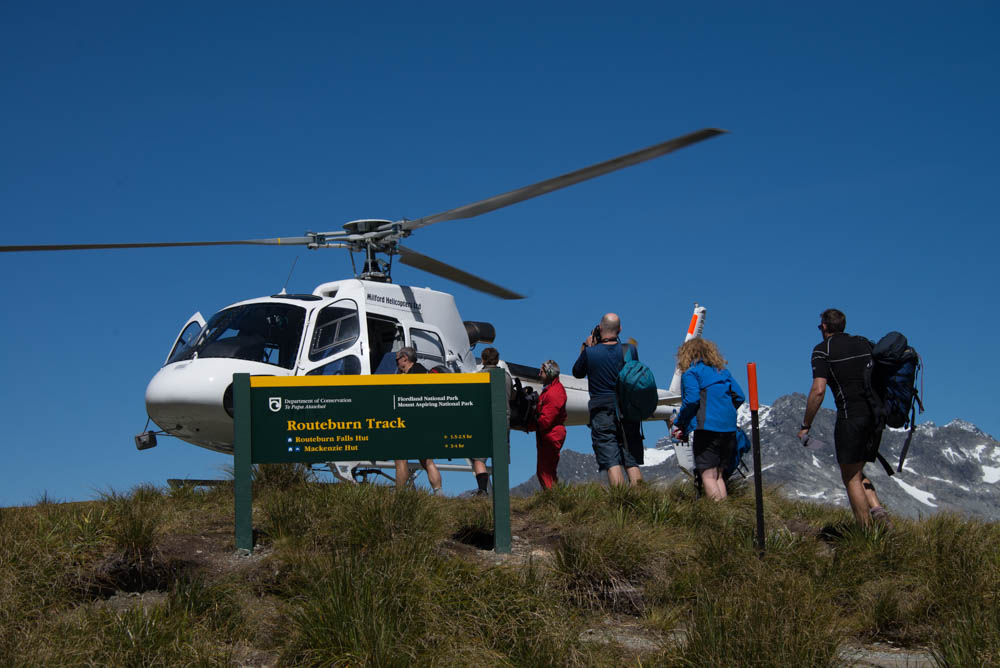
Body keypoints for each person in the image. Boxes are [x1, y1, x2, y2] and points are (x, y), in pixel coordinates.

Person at [797, 309, 890, 527]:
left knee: (850, 476)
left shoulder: (822, 350)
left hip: (851, 416)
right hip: (876, 415)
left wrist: (806, 425)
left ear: (825, 327)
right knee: (856, 469)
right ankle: (878, 512)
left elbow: (818, 390)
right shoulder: (863, 342)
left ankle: (865, 533)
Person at [572, 313, 644, 487]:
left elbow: (577, 372)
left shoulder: (590, 353)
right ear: (619, 329)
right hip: (627, 410)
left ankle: (621, 503)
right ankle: (642, 500)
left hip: (602, 411)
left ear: (600, 328)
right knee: (631, 459)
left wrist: (588, 346)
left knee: (612, 460)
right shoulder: (630, 350)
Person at [671, 338, 745, 500]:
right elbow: (739, 396)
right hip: (729, 430)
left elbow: (691, 400)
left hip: (707, 429)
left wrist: (679, 423)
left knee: (708, 475)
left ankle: (718, 516)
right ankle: (725, 515)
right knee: (718, 475)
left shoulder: (692, 373)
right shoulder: (723, 372)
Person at [393, 347, 443, 493]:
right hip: (425, 423)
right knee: (426, 460)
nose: (396, 363)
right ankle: (438, 492)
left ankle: (400, 494)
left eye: (397, 359)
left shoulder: (410, 376)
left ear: (405, 358)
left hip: (410, 422)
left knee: (400, 458)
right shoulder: (425, 371)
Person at [472, 347, 513, 495]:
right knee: (501, 457)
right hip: (504, 420)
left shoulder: (479, 376)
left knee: (479, 458)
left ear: (483, 359)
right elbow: (512, 396)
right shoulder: (506, 377)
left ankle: (483, 490)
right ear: (497, 359)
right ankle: (502, 492)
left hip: (484, 422)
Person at [533, 360, 567, 490]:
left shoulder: (554, 393)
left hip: (550, 435)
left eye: (541, 372)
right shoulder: (553, 390)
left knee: (545, 471)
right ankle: (555, 496)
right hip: (548, 434)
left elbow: (546, 419)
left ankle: (552, 498)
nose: (539, 374)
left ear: (548, 373)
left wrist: (533, 424)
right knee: (547, 470)